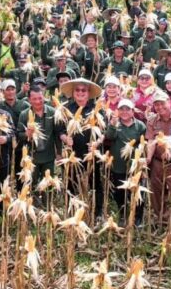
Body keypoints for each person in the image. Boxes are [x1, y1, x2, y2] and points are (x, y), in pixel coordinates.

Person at [58, 79, 104, 216]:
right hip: (72, 153)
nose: (80, 93)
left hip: (91, 153)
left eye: (83, 90)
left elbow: (103, 133)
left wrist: (97, 143)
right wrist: (65, 138)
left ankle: (97, 212)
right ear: (73, 92)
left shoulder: (96, 109)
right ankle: (72, 211)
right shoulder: (65, 109)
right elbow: (59, 130)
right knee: (71, 182)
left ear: (89, 93)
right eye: (77, 90)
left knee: (95, 183)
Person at [105, 99, 147, 225]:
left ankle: (138, 217)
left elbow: (143, 144)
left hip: (135, 165)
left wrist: (142, 164)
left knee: (137, 191)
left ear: (133, 111)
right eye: (121, 109)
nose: (124, 112)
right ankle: (122, 215)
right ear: (117, 111)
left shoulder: (140, 126)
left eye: (127, 109)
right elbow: (109, 137)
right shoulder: (115, 123)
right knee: (120, 192)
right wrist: (112, 125)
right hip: (118, 165)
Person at [146, 93, 171, 226]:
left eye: (162, 103)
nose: (159, 107)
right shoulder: (152, 120)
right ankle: (161, 219)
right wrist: (148, 158)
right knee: (156, 191)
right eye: (156, 104)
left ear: (169, 102)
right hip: (157, 162)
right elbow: (151, 140)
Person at [17, 86, 61, 184]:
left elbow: (57, 133)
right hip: (31, 158)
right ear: (29, 100)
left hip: (48, 157)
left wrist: (59, 152)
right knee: (31, 185)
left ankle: (46, 200)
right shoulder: (24, 114)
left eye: (40, 98)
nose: (38, 101)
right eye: (34, 99)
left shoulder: (52, 112)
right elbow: (19, 134)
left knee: (48, 185)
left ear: (44, 97)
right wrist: (26, 134)